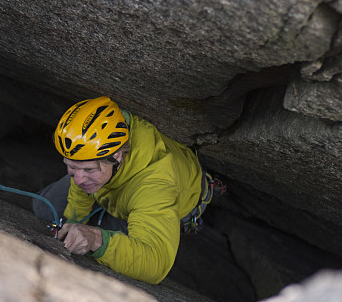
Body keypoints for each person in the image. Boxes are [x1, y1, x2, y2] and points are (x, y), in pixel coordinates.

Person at [33, 96, 220, 284]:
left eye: (88, 169)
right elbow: (80, 185)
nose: (78, 179)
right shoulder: (109, 129)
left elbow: (155, 263)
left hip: (156, 196)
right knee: (44, 209)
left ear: (118, 156)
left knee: (103, 250)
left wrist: (97, 239)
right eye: (71, 166)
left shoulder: (154, 188)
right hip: (114, 184)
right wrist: (73, 220)